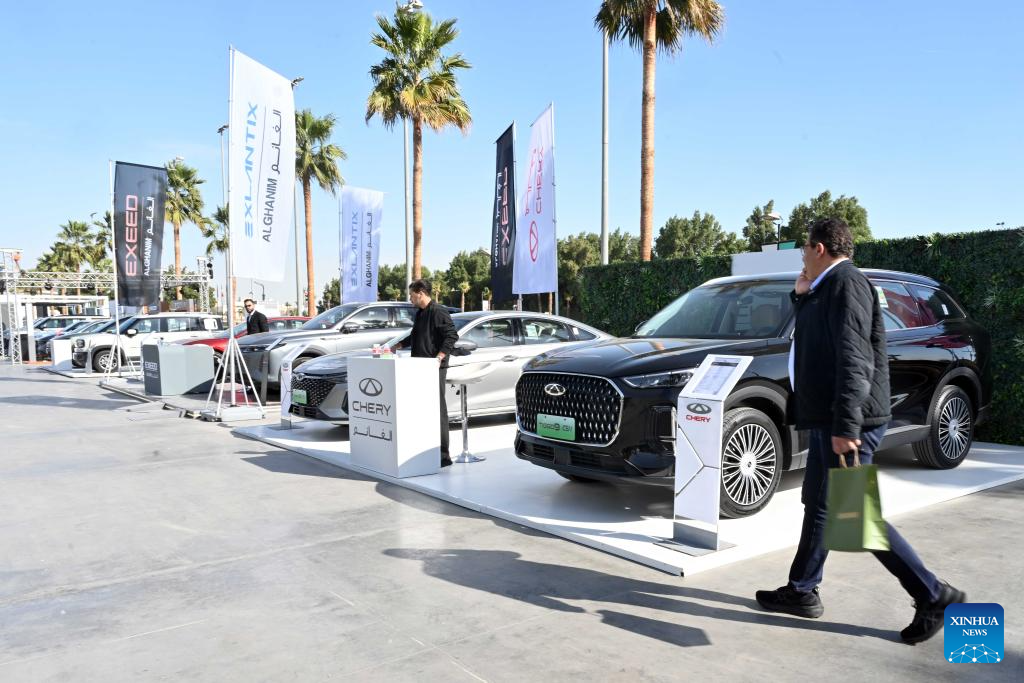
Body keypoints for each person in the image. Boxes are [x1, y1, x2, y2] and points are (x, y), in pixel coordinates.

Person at [755, 217, 965, 644]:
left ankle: (933, 594)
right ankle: (801, 591)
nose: (801, 261)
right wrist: (799, 299)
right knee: (818, 502)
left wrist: (845, 425)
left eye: (802, 252)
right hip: (830, 419)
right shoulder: (826, 287)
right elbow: (817, 340)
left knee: (857, 517)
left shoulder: (848, 284)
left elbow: (855, 359)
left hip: (846, 422)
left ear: (818, 248)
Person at [390, 279, 458, 467]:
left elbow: (452, 336)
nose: (410, 299)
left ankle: (444, 456)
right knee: (424, 411)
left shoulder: (438, 311)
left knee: (438, 410)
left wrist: (439, 357)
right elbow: (415, 336)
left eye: (412, 295)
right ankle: (425, 451)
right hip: (418, 368)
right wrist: (398, 345)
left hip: (434, 368)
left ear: (421, 292)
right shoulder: (420, 313)